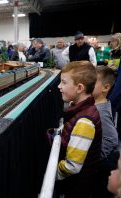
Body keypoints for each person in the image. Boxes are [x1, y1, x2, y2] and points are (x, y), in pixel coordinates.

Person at [54, 61, 102, 197]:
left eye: (63, 82)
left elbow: (72, 166)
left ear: (79, 88)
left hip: (76, 188)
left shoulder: (85, 121)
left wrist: (52, 174)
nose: (59, 86)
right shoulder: (81, 109)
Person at [92, 66, 119, 198]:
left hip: (101, 168)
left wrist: (95, 159)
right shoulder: (100, 105)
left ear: (105, 88)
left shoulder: (100, 112)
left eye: (92, 82)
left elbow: (112, 139)